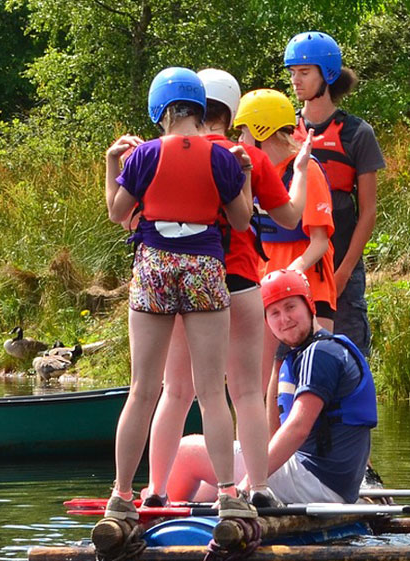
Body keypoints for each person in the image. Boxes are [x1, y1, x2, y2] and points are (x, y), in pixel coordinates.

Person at [139, 69, 307, 509]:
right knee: (246, 391)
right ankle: (257, 487)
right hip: (240, 284)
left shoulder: (163, 153)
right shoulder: (244, 156)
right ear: (230, 112)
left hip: (184, 287)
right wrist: (303, 171)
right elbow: (289, 218)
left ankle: (157, 488)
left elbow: (132, 215)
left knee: (175, 391)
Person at [101, 67, 254, 520]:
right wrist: (242, 175)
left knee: (143, 389)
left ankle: (122, 495)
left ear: (160, 110)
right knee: (211, 392)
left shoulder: (143, 156)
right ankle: (228, 495)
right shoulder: (223, 158)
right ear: (201, 109)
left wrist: (114, 165)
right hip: (205, 268)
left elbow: (117, 212)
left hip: (153, 266)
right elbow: (242, 221)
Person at [159, 269, 377, 505]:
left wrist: (246, 487)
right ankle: (182, 510)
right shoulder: (303, 354)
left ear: (310, 305)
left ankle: (159, 519)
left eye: (291, 307)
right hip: (323, 480)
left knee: (186, 453)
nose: (284, 319)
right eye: (274, 313)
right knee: (204, 490)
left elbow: (298, 428)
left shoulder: (320, 353)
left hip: (316, 480)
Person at [286, 31, 386, 357]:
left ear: (326, 74)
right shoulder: (284, 131)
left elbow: (368, 212)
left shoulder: (357, 132)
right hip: (295, 262)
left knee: (348, 358)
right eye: (292, 72)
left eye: (304, 72)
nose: (295, 80)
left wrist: (343, 273)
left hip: (342, 262)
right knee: (291, 359)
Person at [237, 88, 339, 330]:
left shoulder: (305, 170)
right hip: (267, 288)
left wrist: (293, 271)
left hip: (309, 288)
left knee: (309, 364)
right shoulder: (256, 173)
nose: (240, 140)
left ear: (262, 130)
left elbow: (320, 241)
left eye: (244, 132)